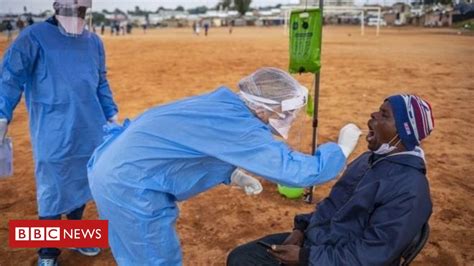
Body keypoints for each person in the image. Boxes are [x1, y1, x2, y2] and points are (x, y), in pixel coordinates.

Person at [87, 67, 362, 265]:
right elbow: (299, 173)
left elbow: (195, 145)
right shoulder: (241, 126)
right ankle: (51, 246)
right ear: (265, 107)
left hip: (114, 165)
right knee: (152, 257)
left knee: (132, 249)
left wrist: (233, 174)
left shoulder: (225, 104)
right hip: (129, 184)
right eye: (287, 112)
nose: (288, 119)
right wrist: (340, 149)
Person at [227, 94, 434, 266]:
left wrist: (306, 258)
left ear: (402, 133)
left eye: (384, 115)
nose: (373, 115)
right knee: (242, 258)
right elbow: (332, 205)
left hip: (336, 258)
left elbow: (372, 255)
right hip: (319, 243)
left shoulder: (410, 189)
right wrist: (301, 230)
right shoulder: (368, 160)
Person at [0, 0, 119, 265]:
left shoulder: (94, 42)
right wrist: (2, 114)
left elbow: (100, 81)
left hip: (90, 128)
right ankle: (48, 251)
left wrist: (112, 115)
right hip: (52, 130)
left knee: (81, 182)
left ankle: (75, 235)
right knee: (52, 188)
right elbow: (9, 76)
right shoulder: (34, 37)